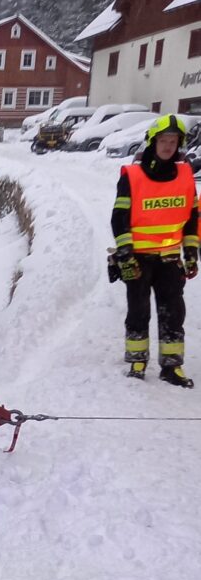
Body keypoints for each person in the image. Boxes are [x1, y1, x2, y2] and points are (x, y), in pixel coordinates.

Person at [111, 114, 200, 385]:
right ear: (153, 141)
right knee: (138, 311)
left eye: (173, 141)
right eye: (163, 140)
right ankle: (138, 361)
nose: (168, 146)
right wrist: (125, 252)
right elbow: (119, 217)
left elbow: (192, 218)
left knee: (173, 313)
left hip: (170, 259)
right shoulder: (133, 175)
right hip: (137, 258)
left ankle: (172, 367)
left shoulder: (185, 175)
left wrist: (192, 252)